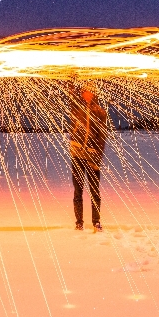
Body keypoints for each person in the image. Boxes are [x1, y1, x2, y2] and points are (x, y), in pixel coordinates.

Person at [68, 83, 108, 232]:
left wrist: (97, 157)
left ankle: (96, 222)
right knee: (78, 190)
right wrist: (71, 80)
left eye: (90, 92)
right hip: (77, 153)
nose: (88, 94)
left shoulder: (100, 112)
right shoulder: (76, 108)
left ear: (94, 94)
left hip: (92, 155)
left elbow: (102, 136)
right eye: (85, 91)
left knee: (94, 191)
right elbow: (71, 96)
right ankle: (79, 222)